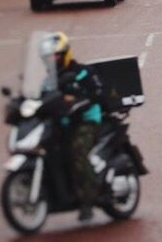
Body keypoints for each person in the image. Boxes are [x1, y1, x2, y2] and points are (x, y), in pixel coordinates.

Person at [40, 31, 105, 223]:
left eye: (56, 55)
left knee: (76, 150)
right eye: (48, 57)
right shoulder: (47, 81)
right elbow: (40, 99)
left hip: (86, 121)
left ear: (65, 53)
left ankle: (89, 197)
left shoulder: (83, 72)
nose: (52, 59)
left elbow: (98, 92)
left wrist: (79, 102)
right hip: (62, 124)